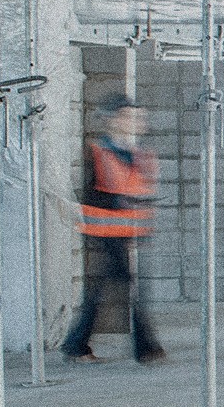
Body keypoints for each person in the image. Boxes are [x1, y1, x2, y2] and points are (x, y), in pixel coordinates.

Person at [61, 94, 165, 364]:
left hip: (133, 231)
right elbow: (99, 194)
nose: (138, 122)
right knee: (131, 291)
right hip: (109, 232)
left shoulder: (141, 153)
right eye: (130, 116)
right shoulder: (100, 151)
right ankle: (145, 348)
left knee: (109, 290)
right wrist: (125, 202)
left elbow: (141, 189)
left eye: (139, 116)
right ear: (114, 120)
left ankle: (78, 345)